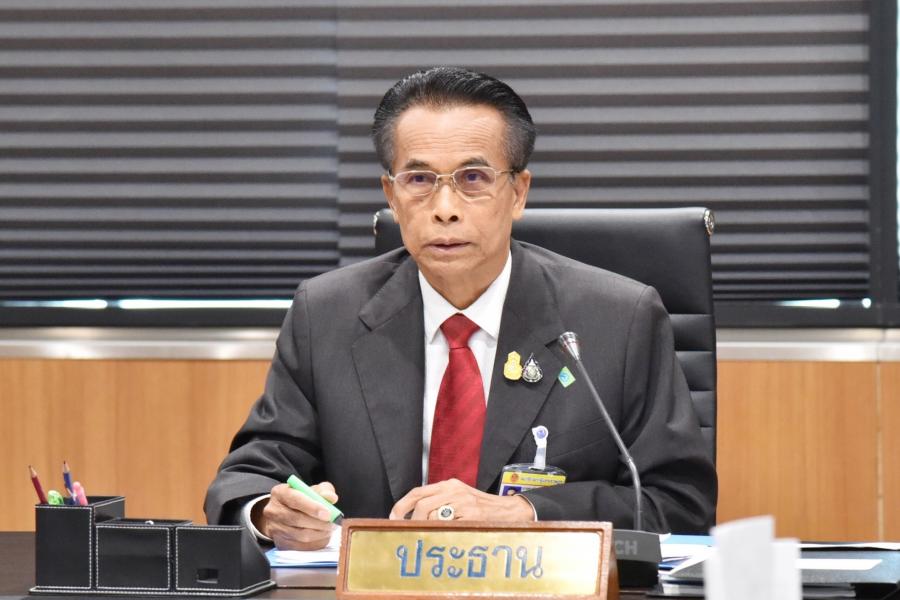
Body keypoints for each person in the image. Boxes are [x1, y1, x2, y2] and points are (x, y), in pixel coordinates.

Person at [205, 66, 717, 550]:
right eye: (419, 180)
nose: (445, 209)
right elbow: (248, 478)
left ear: (518, 192)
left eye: (473, 178)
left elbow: (678, 503)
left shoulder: (618, 320)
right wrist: (268, 514)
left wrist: (527, 513)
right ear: (391, 194)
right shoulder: (327, 314)